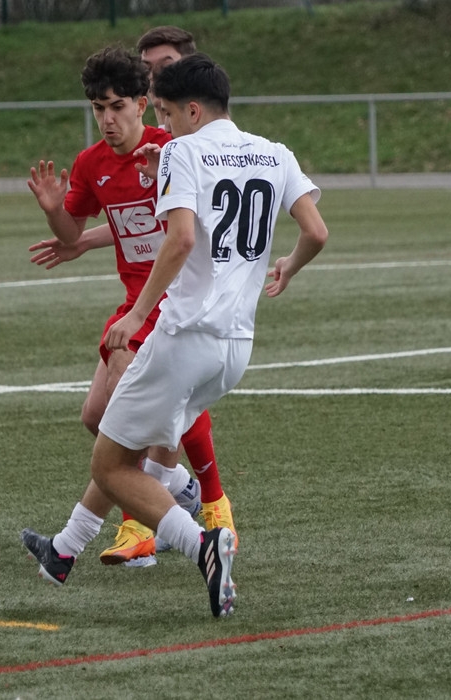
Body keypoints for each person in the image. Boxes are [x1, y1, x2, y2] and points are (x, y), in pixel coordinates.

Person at [91, 53, 329, 617]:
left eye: (167, 113)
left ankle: (201, 543)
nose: (164, 125)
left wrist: (136, 315)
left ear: (193, 110)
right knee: (155, 444)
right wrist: (288, 266)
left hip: (183, 337)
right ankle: (72, 545)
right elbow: (316, 231)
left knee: (109, 466)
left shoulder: (181, 150)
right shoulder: (275, 152)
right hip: (236, 349)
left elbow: (180, 241)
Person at [23, 37, 233, 582]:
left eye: (117, 107)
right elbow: (74, 232)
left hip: (173, 306)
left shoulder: (172, 149)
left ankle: (85, 543)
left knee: (124, 421)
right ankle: (178, 488)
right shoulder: (92, 163)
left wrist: (162, 173)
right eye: (98, 109)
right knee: (96, 419)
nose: (108, 119)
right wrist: (54, 211)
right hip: (133, 303)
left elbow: (200, 221)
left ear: (143, 104)